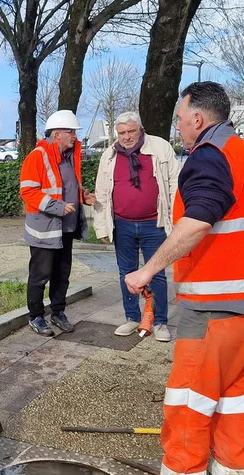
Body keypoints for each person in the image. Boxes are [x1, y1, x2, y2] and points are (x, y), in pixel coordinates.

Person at [123, 82, 244, 475]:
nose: (178, 127)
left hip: (217, 308)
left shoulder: (209, 157)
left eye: (179, 119)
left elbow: (198, 220)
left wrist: (148, 269)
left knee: (188, 406)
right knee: (232, 406)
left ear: (198, 118)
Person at [91, 111, 181, 342]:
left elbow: (174, 184)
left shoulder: (159, 148)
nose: (126, 137)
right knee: (126, 273)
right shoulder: (109, 155)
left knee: (157, 274)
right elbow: (102, 190)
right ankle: (132, 317)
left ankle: (160, 321)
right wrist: (101, 227)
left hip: (155, 223)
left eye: (131, 131)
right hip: (122, 225)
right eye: (122, 133)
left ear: (140, 129)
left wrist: (176, 221)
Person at [19, 110, 97, 337]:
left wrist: (83, 196)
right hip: (45, 229)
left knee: (62, 274)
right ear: (56, 134)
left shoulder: (70, 156)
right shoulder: (37, 156)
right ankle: (35, 316)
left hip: (65, 228)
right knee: (40, 274)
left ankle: (58, 312)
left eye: (74, 132)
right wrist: (57, 207)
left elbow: (69, 186)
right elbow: (28, 191)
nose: (74, 136)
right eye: (70, 131)